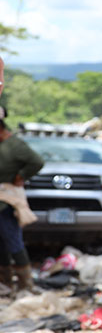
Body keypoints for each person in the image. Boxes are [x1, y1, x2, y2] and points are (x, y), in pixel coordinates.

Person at [0, 56, 45, 292]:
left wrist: (21, 176)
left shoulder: (14, 145)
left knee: (13, 241)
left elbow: (37, 162)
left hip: (7, 203)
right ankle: (5, 282)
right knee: (2, 245)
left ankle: (25, 284)